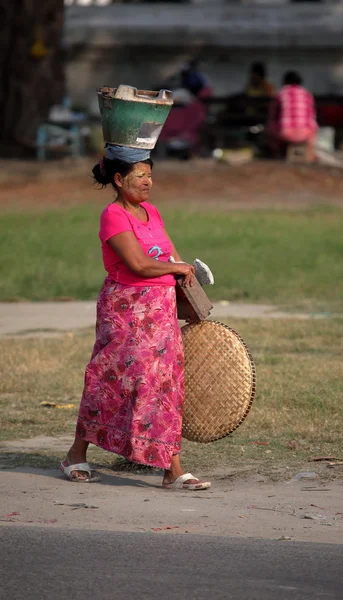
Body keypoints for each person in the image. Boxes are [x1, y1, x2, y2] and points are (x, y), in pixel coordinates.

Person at [61, 144, 211, 491]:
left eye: (150, 174)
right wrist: (176, 267)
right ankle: (75, 454)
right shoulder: (114, 215)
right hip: (126, 310)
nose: (148, 182)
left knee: (164, 385)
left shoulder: (152, 213)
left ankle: (172, 469)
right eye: (140, 175)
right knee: (111, 381)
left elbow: (172, 257)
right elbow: (138, 264)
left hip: (160, 311)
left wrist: (187, 287)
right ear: (119, 178)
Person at [267, 70, 318, 161]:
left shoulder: (281, 93)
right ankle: (310, 155)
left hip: (285, 133)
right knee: (312, 125)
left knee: (270, 125)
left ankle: (276, 154)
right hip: (306, 134)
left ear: (285, 81)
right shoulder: (307, 94)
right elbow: (311, 116)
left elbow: (273, 115)